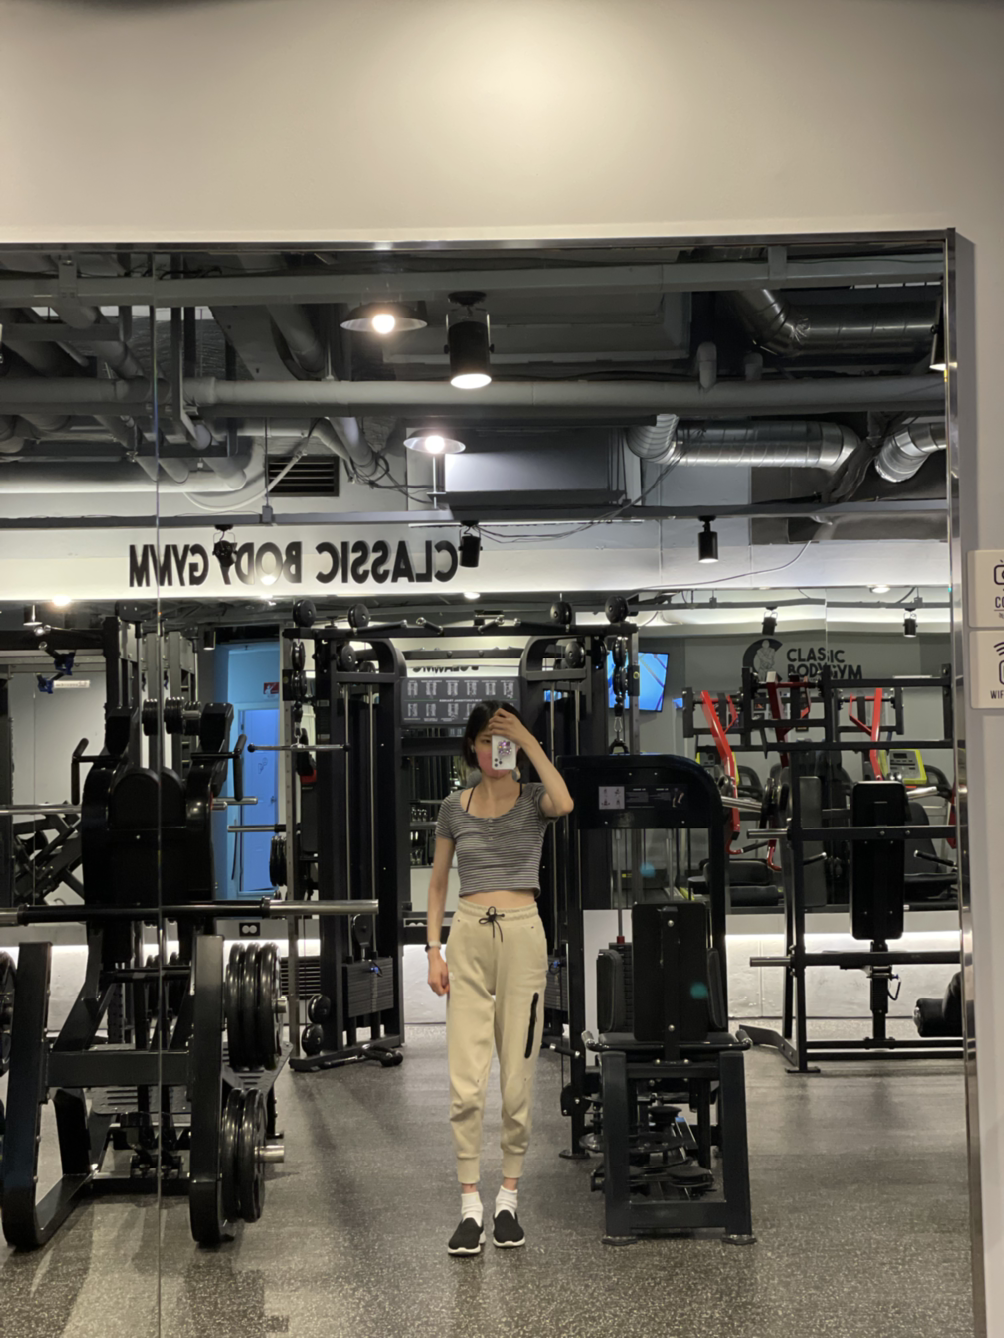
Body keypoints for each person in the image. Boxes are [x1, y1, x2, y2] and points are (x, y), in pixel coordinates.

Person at [426, 700, 574, 1256]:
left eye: (504, 740)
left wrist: (530, 741)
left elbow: (565, 802)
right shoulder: (453, 807)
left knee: (518, 1075)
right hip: (467, 933)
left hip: (522, 935)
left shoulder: (535, 799)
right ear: (471, 746)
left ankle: (508, 1197)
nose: (495, 751)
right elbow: (438, 882)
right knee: (465, 1080)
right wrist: (432, 950)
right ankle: (470, 1204)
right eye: (487, 740)